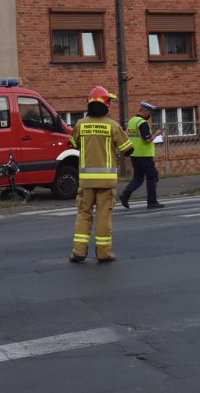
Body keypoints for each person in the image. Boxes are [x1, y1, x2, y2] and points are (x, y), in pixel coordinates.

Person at [69, 86, 134, 263]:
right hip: (107, 181)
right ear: (106, 105)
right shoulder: (112, 126)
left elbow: (73, 144)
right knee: (104, 216)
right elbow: (128, 150)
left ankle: (79, 252)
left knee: (84, 215)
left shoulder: (80, 124)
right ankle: (104, 253)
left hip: (86, 182)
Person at [119, 102, 164, 209]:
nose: (150, 115)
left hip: (134, 154)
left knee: (138, 178)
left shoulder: (132, 121)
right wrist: (156, 134)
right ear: (145, 111)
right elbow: (147, 139)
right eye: (150, 113)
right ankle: (152, 202)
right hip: (144, 155)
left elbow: (126, 135)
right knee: (152, 177)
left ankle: (125, 194)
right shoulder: (142, 123)